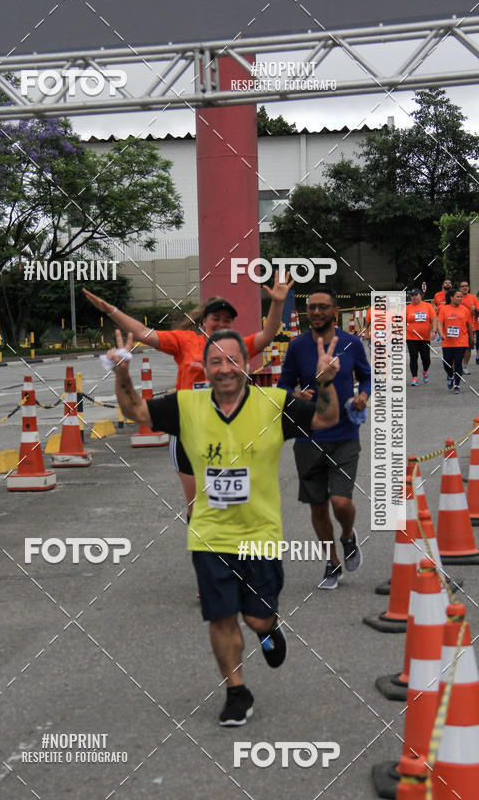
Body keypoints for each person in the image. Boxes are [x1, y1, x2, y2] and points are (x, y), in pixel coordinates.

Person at [107, 327, 340, 726]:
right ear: (205, 367)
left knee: (256, 619)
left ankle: (268, 630)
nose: (225, 369)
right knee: (221, 617)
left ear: (247, 366)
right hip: (209, 534)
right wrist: (122, 373)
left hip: (260, 536)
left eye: (233, 361)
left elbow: (326, 417)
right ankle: (236, 690)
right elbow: (137, 413)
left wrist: (325, 383)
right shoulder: (188, 406)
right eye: (216, 362)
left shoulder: (273, 404)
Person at [84, 273, 293, 519]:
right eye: (216, 319)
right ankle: (204, 547)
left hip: (229, 433)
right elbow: (142, 333)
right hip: (188, 432)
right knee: (197, 508)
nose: (222, 324)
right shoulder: (184, 341)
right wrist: (110, 310)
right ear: (204, 321)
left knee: (232, 504)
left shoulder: (238, 345)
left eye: (228, 320)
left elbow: (267, 335)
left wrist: (277, 303)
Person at [277, 286, 371, 590]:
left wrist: (363, 396)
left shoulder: (352, 343)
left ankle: (348, 536)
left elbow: (367, 376)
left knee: (341, 502)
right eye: (311, 307)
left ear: (335, 312)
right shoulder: (297, 346)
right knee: (318, 506)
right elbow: (283, 384)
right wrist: (294, 394)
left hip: (344, 434)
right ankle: (332, 563)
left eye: (322, 307)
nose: (315, 312)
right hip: (308, 437)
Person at [437, 288, 473, 393]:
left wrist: (472, 337)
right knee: (447, 363)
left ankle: (457, 385)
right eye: (458, 296)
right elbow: (439, 323)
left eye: (461, 297)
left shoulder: (465, 310)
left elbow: (469, 325)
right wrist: (441, 333)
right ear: (451, 298)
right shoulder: (444, 309)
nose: (460, 298)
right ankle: (450, 375)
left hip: (461, 341)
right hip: (447, 341)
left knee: (458, 363)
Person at [405, 288, 437, 385]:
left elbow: (434, 319)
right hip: (411, 337)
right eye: (412, 295)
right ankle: (414, 377)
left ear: (420, 295)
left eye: (415, 295)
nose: (413, 297)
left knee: (426, 358)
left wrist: (434, 331)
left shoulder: (427, 306)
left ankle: (425, 371)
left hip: (424, 337)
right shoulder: (407, 308)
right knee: (413, 357)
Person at [459, 280, 479, 373]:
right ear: (460, 288)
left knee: (468, 347)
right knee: (458, 347)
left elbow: (477, 311)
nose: (465, 287)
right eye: (463, 286)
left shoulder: (473, 298)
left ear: (469, 287)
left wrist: (475, 310)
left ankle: (465, 366)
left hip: (470, 327)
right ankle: (457, 366)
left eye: (466, 286)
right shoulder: (457, 297)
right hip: (458, 327)